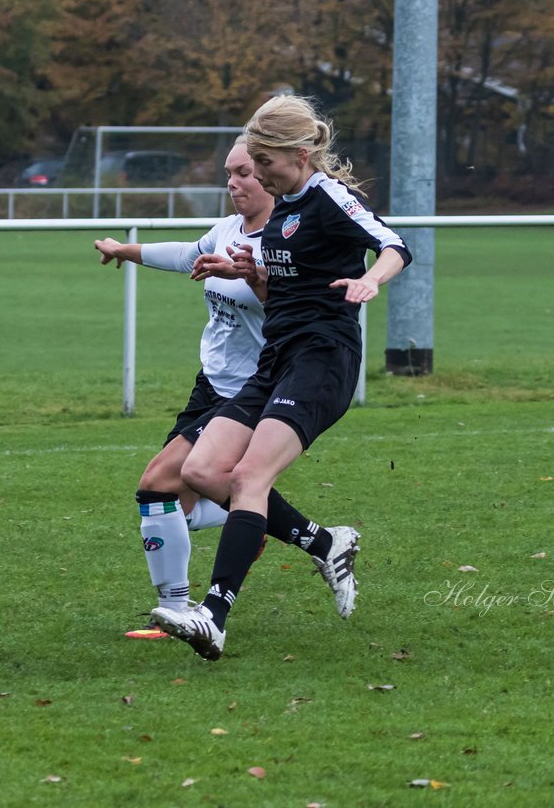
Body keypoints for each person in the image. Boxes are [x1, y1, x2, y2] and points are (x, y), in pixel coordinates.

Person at [150, 95, 413, 660]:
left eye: (263, 163)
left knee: (247, 478)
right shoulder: (286, 206)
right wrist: (249, 270)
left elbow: (394, 246)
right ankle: (326, 542)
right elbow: (290, 283)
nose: (257, 174)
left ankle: (213, 617)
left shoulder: (328, 197)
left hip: (322, 360)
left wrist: (373, 282)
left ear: (297, 154)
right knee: (199, 468)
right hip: (276, 360)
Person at [95, 138, 272, 640]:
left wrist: (256, 278)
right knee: (175, 507)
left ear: (271, 174)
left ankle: (179, 605)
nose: (234, 183)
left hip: (251, 392)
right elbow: (186, 253)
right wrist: (125, 250)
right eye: (229, 173)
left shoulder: (282, 241)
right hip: (210, 385)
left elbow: (295, 313)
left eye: (244, 173)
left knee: (156, 485)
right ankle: (249, 520)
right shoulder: (227, 229)